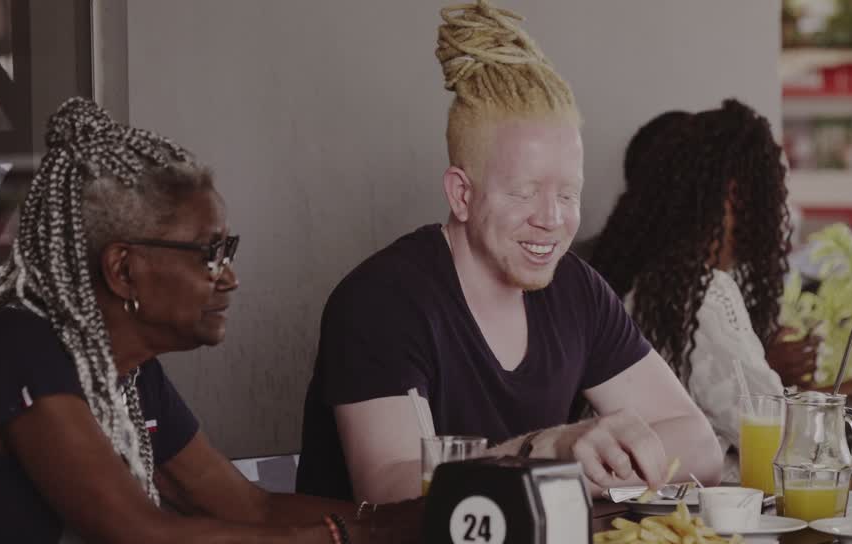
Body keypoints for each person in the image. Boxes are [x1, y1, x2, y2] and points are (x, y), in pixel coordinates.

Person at [0, 98, 422, 544]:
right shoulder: (21, 351)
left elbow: (249, 508)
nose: (228, 277)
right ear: (123, 271)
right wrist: (369, 537)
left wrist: (408, 522)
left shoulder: (132, 374)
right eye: (209, 253)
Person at [296, 0, 720, 504]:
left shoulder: (576, 289)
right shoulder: (383, 300)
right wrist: (549, 451)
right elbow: (391, 490)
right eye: (523, 192)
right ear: (461, 194)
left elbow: (700, 447)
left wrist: (584, 466)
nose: (552, 218)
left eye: (568, 194)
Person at [590, 100, 852, 482]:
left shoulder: (659, 285)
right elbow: (779, 436)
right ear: (735, 194)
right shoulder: (705, 293)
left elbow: (758, 406)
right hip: (718, 519)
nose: (779, 207)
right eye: (771, 189)